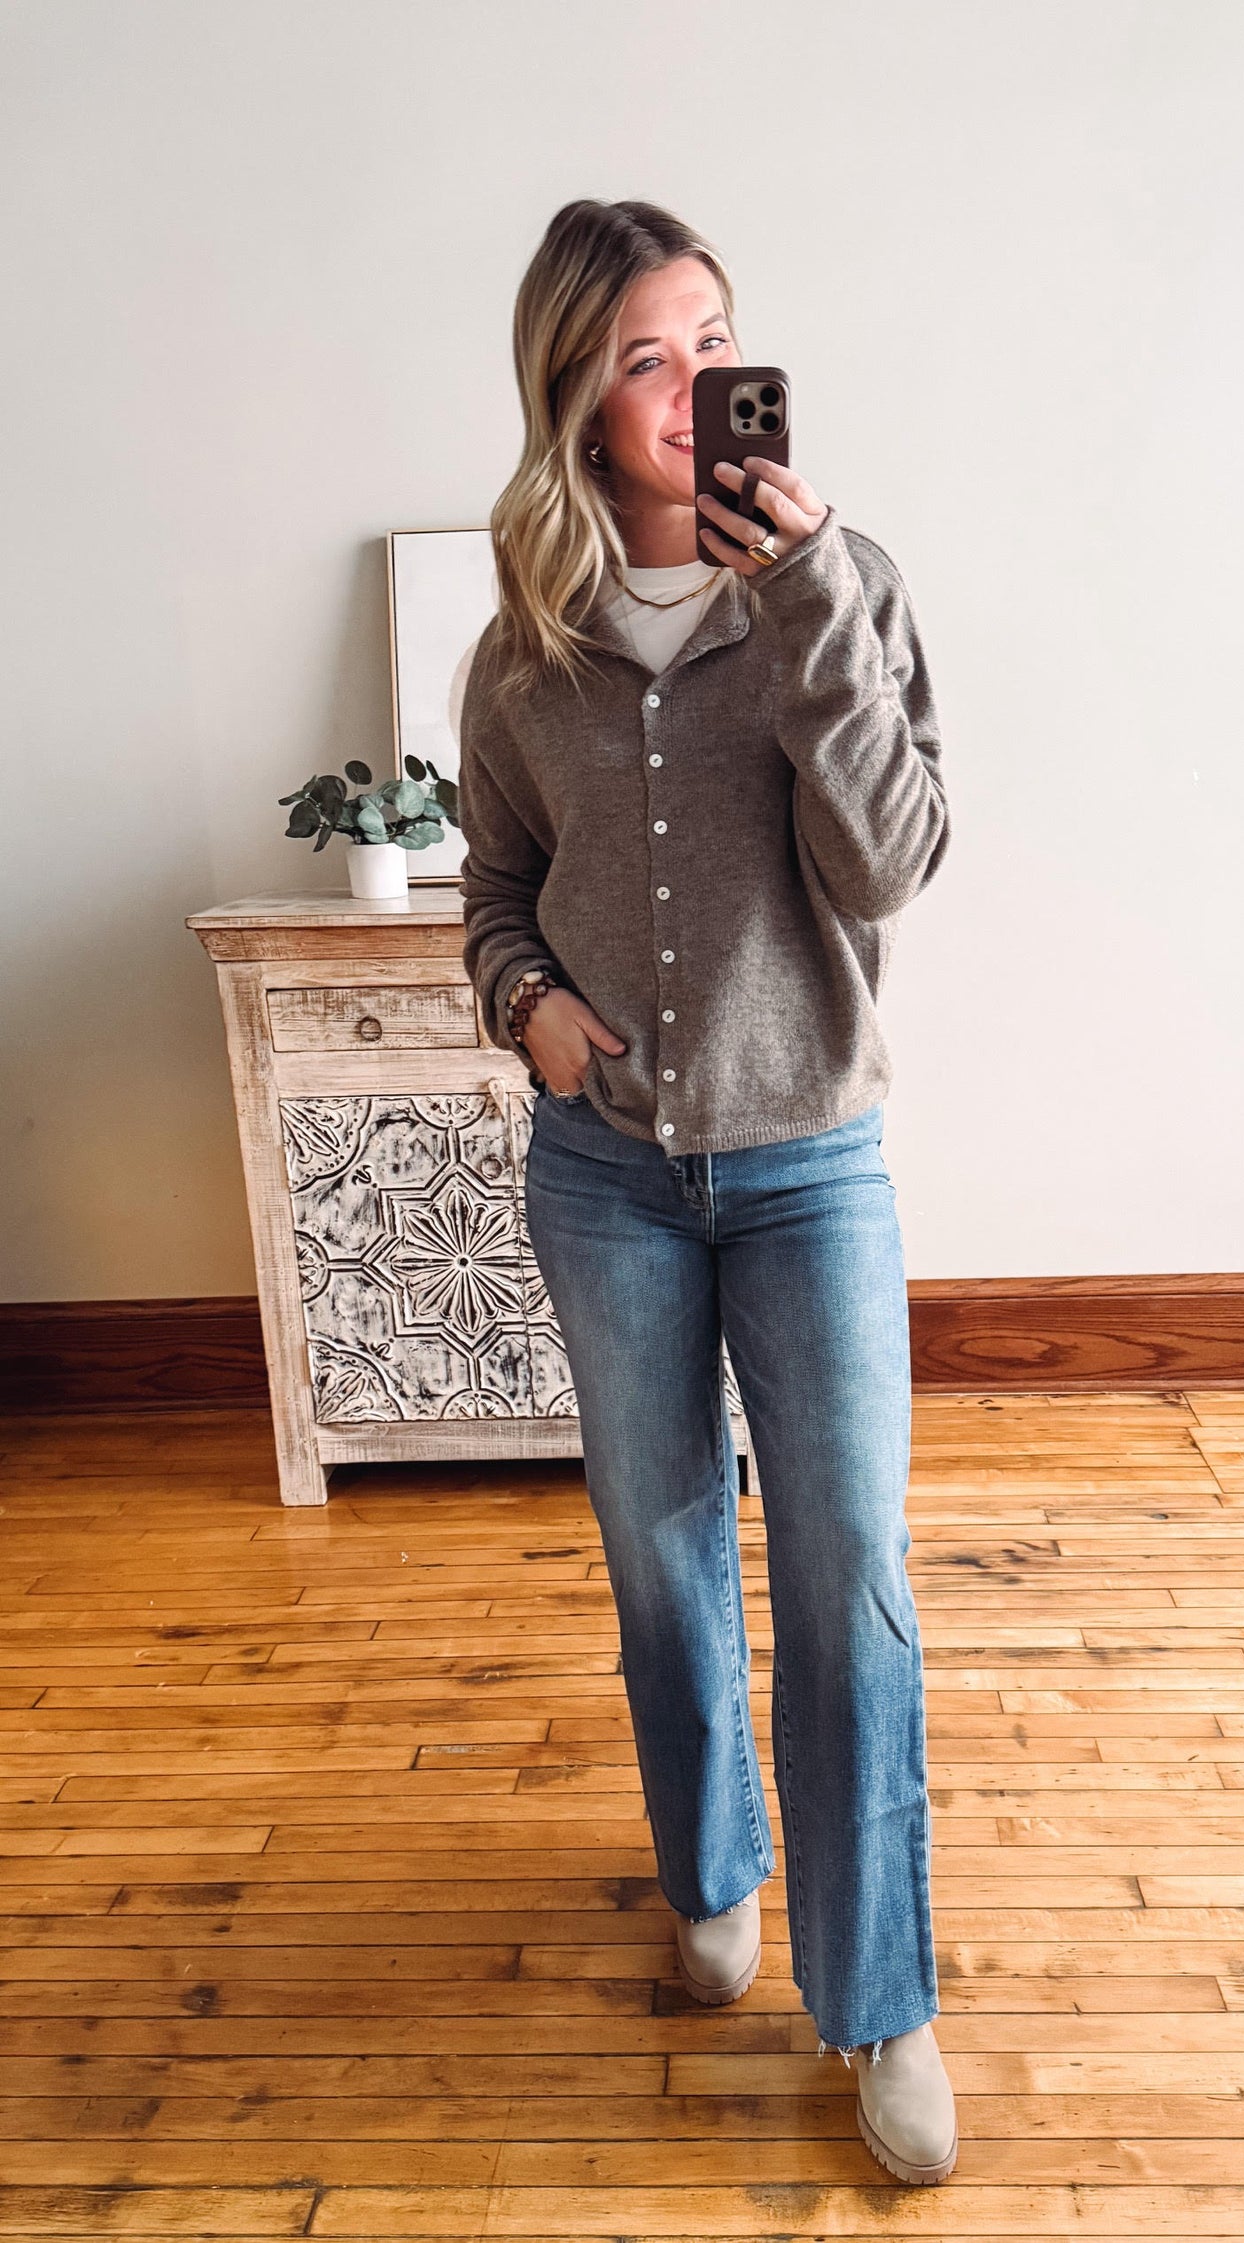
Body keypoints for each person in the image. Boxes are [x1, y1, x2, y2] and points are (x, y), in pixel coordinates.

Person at [457, 197, 955, 2185]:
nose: (693, 393)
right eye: (647, 358)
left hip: (809, 1165)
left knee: (846, 1581)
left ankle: (884, 2000)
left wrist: (817, 594)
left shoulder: (838, 587)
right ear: (578, 395)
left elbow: (894, 862)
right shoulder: (529, 645)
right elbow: (496, 885)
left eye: (717, 345)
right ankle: (713, 1867)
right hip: (605, 1178)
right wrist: (534, 1013)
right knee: (664, 1565)